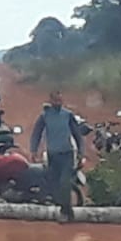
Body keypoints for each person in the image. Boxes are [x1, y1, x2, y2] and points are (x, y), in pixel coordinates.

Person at [29, 90, 85, 223]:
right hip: (52, 155)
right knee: (54, 185)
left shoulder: (68, 115)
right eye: (56, 100)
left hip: (67, 154)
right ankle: (67, 211)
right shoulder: (45, 116)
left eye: (60, 100)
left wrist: (81, 153)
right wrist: (33, 150)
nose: (58, 103)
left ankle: (64, 212)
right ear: (51, 101)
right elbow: (36, 133)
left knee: (64, 183)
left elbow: (78, 135)